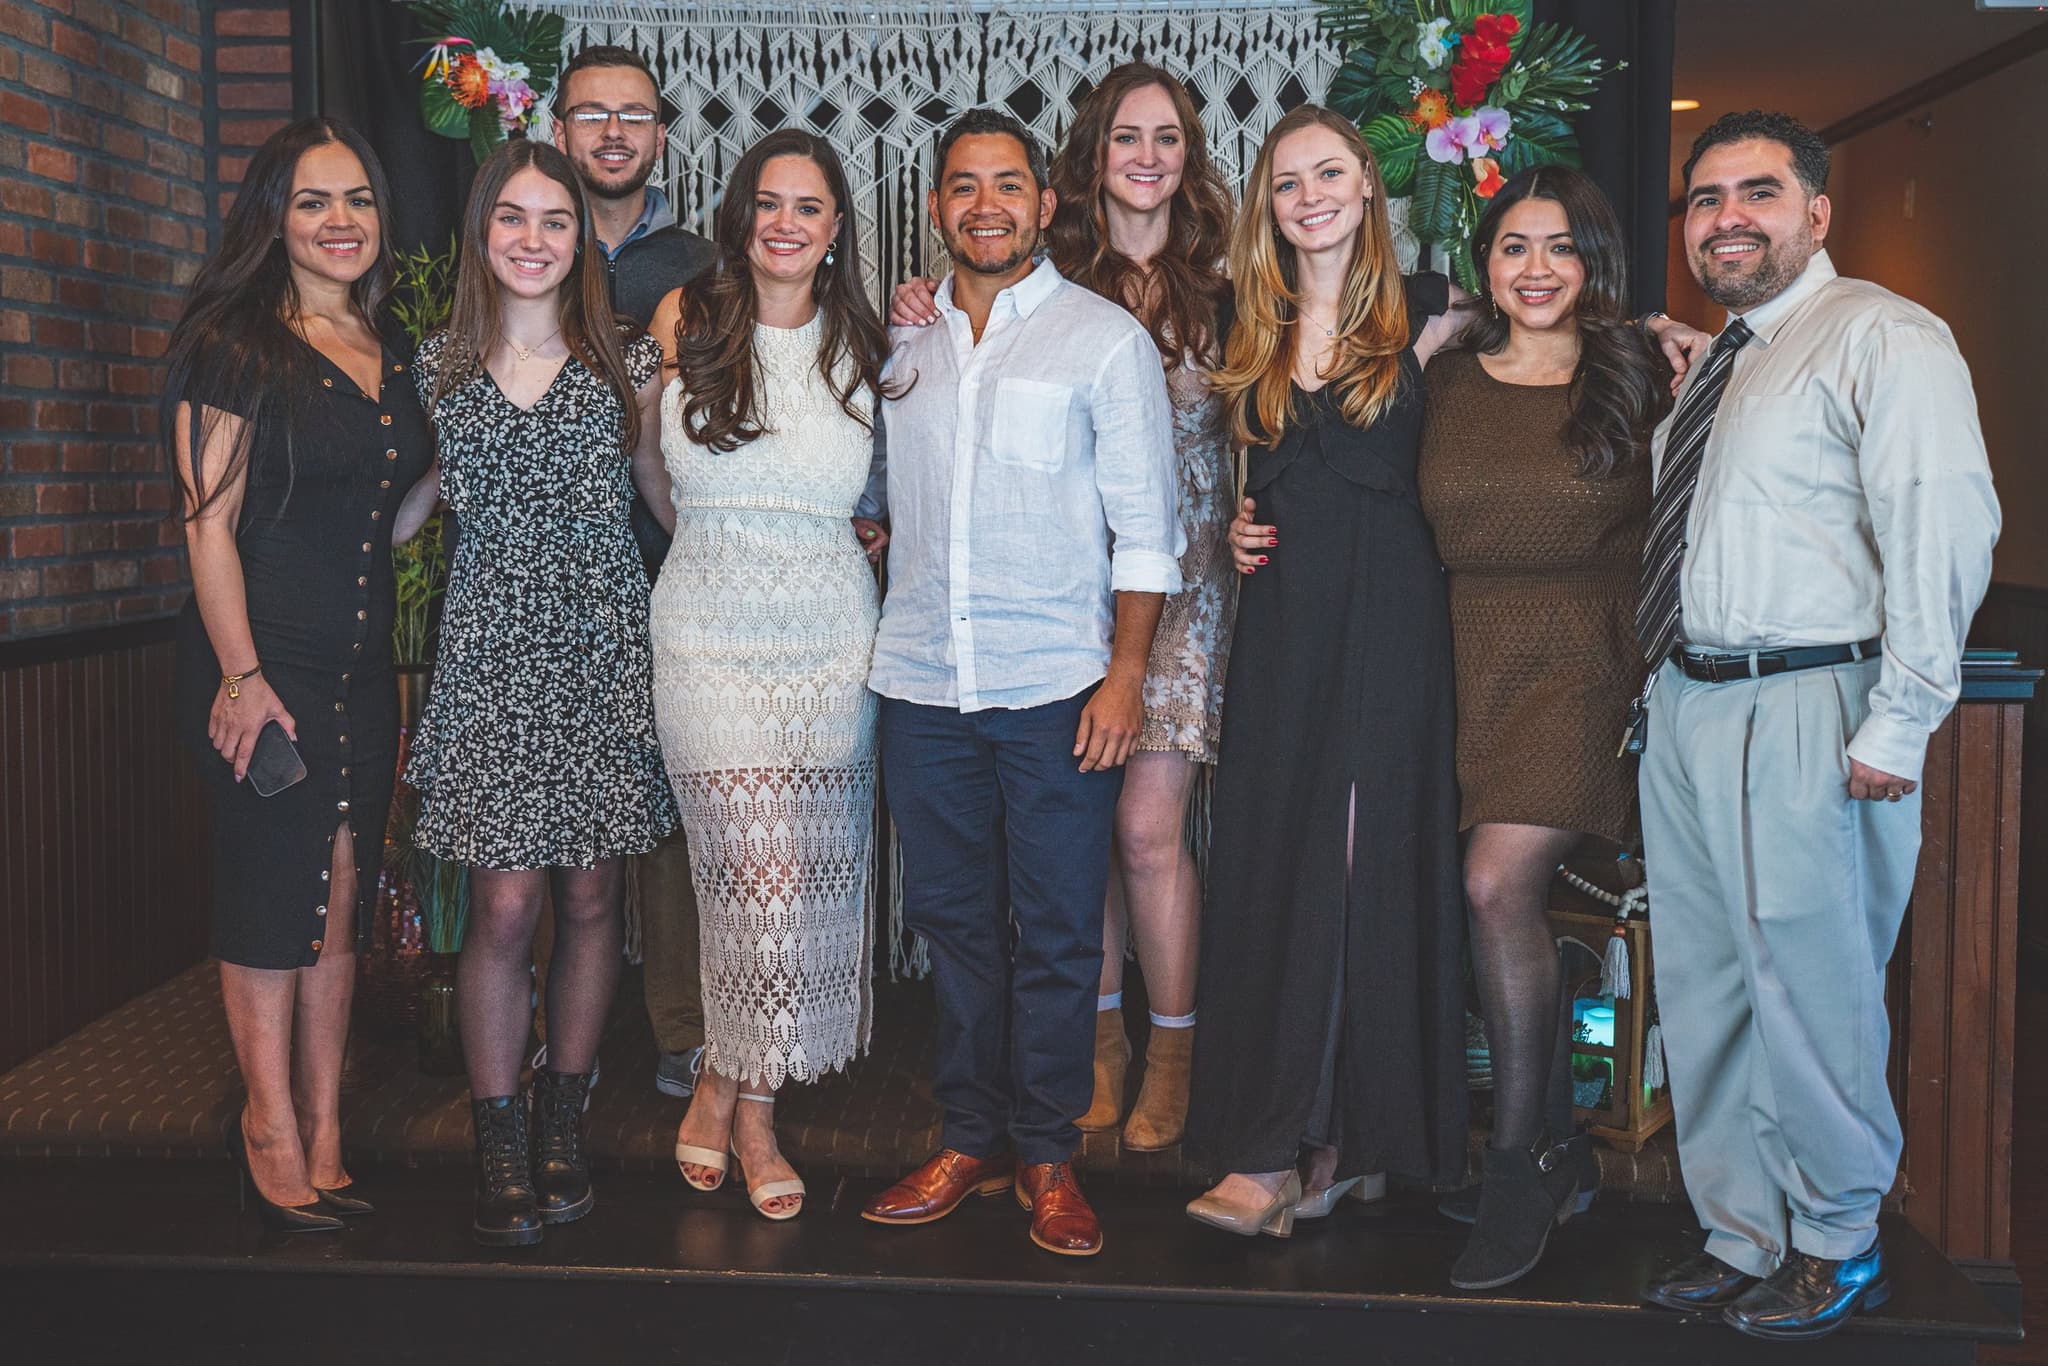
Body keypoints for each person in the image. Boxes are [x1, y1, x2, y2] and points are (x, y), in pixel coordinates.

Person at [1634, 111, 1998, 1340]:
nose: (1724, 216)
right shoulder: (1724, 359)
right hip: (1685, 699)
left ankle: (1836, 1235)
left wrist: (1899, 721)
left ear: (1815, 214)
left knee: (1809, 986)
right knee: (1707, 989)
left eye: (1756, 193)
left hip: (1808, 699)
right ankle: (1743, 1232)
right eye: (1702, 199)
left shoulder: (1882, 336)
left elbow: (1938, 529)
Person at [891, 62, 1235, 1152]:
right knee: (1061, 873)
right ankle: (1089, 1055)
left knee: (1139, 836)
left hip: (1164, 589)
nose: (1146, 155)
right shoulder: (929, 329)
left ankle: (1164, 1049)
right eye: (1125, 137)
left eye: (1165, 137)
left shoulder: (1220, 288)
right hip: (1024, 615)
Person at [858, 108, 1183, 1258]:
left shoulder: (1102, 340)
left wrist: (1124, 675)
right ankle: (968, 1136)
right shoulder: (899, 341)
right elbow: (869, 484)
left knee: (1054, 928)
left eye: (1006, 185)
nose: (982, 204)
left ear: (1046, 206)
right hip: (919, 683)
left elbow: (1148, 529)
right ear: (936, 207)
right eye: (960, 186)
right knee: (951, 924)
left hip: (1057, 684)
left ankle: (1048, 1154)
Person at [1185, 104, 1470, 1237]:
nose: (1310, 194)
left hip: (1393, 622)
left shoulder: (1437, 310)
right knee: (1273, 862)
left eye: (1330, 173)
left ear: (1367, 188)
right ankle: (1305, 1137)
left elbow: (1560, 328)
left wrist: (1661, 332)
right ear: (1269, 201)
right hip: (1283, 625)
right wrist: (1228, 531)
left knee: (1360, 866)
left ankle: (1300, 1147)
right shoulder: (1235, 318)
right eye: (1288, 179)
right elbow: (1223, 479)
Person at [399, 139, 678, 1247]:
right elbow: (408, 497)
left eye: (553, 220)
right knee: (508, 907)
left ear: (580, 240)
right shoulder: (434, 368)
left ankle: (567, 1116)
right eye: (510, 217)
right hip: (490, 664)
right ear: (482, 235)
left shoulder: (628, 367)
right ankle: (499, 1132)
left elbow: (662, 494)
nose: (531, 238)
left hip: (600, 658)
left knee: (594, 900)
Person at [167, 117, 430, 1232]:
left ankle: (326, 1126)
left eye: (358, 201)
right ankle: (266, 1121)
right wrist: (239, 676)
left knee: (339, 900)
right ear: (273, 216)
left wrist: (463, 481)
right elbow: (206, 523)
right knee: (276, 895)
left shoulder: (390, 347)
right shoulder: (233, 341)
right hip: (262, 667)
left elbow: (392, 514)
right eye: (315, 201)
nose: (341, 222)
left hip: (359, 669)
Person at [1414, 164, 1672, 1288]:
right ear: (1485, 263)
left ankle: (1519, 1161)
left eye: (1559, 247)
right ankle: (1557, 1143)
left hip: (1581, 662)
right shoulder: (1446, 377)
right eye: (1513, 246)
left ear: (1592, 263)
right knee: (1467, 897)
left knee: (1491, 885)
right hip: (1457, 659)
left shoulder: (1640, 369)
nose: (1535, 269)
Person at [643, 129, 897, 1220]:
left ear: (836, 228)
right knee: (744, 872)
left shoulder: (869, 344)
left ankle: (733, 1090)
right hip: (706, 627)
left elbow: (896, 484)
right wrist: (717, 546)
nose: (786, 223)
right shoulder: (685, 317)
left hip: (830, 636)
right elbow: (652, 467)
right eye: (769, 203)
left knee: (793, 878)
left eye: (810, 207)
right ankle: (749, 1109)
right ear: (742, 215)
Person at [553, 41, 718, 1101]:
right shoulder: (518, 241)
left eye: (633, 115)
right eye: (590, 114)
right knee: (548, 814)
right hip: (542, 578)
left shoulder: (703, 264)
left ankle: (679, 1030)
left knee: (668, 810)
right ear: (557, 129)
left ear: (661, 134)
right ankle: (547, 1030)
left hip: (667, 564)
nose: (612, 132)